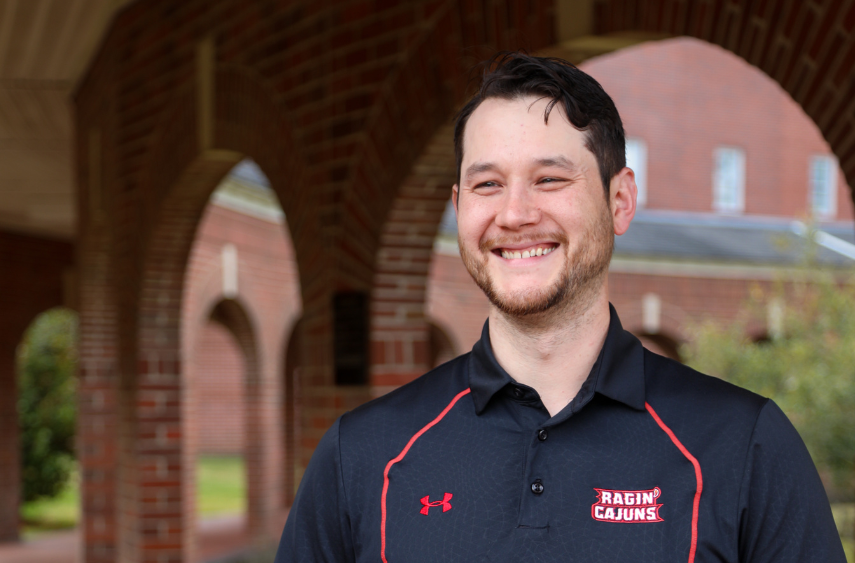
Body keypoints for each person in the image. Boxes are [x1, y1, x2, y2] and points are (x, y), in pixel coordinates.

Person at [274, 52, 846, 563]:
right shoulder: (364, 455)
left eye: (549, 179)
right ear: (458, 206)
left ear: (620, 201)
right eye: (487, 185)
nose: (515, 213)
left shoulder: (744, 446)